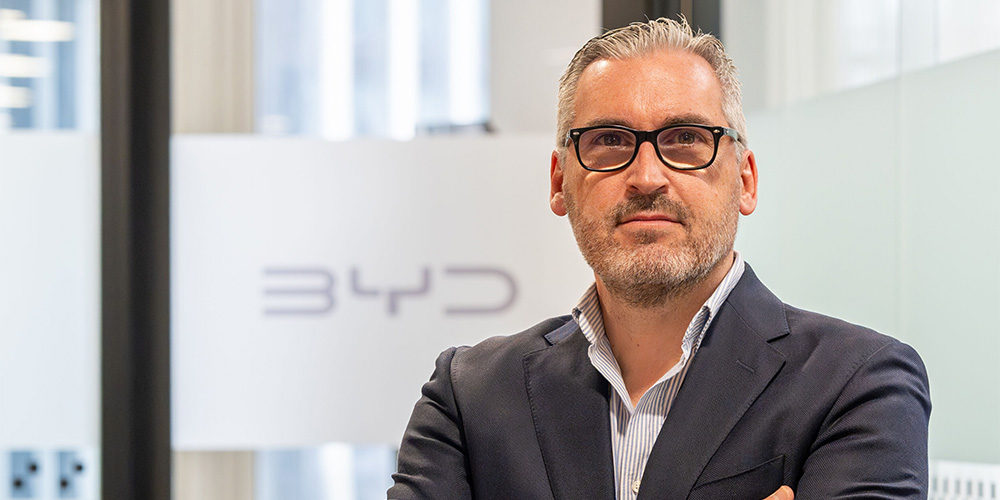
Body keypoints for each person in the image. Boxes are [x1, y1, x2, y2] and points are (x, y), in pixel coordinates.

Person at [388, 18, 930, 500]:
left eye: (686, 138)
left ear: (745, 180)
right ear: (559, 182)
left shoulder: (858, 385)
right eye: (608, 140)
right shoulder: (468, 396)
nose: (647, 177)